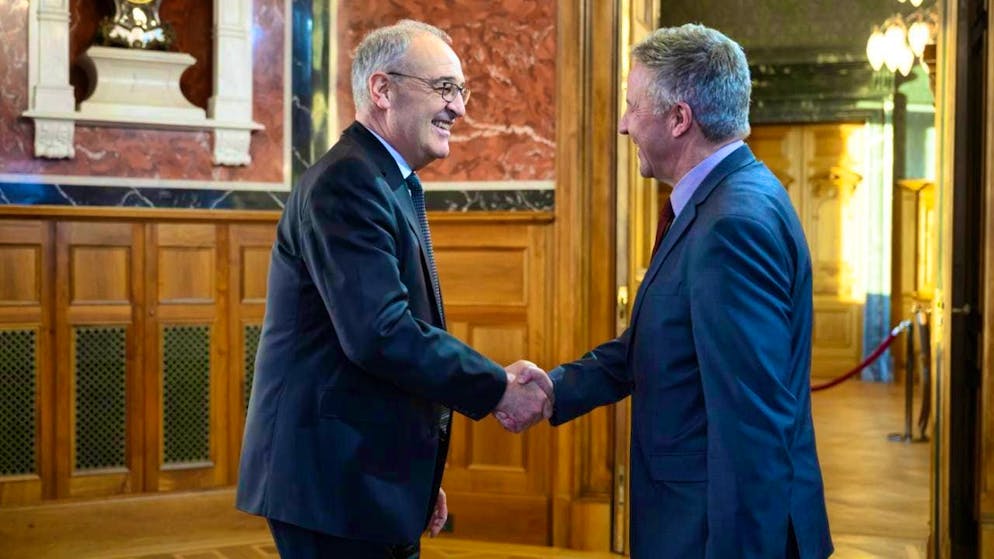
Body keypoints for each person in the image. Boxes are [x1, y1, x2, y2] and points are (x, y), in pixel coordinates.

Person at [511, 24, 833, 558]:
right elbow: (660, 346)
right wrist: (556, 388)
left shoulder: (733, 224)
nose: (622, 124)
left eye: (633, 106)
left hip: (708, 532)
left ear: (679, 119)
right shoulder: (728, 198)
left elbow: (751, 426)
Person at [236, 20, 552, 558]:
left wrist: (417, 477)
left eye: (461, 90)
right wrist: (496, 386)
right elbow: (380, 333)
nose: (460, 108)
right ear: (383, 90)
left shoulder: (382, 178)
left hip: (363, 475)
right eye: (444, 88)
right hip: (332, 482)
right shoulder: (348, 182)